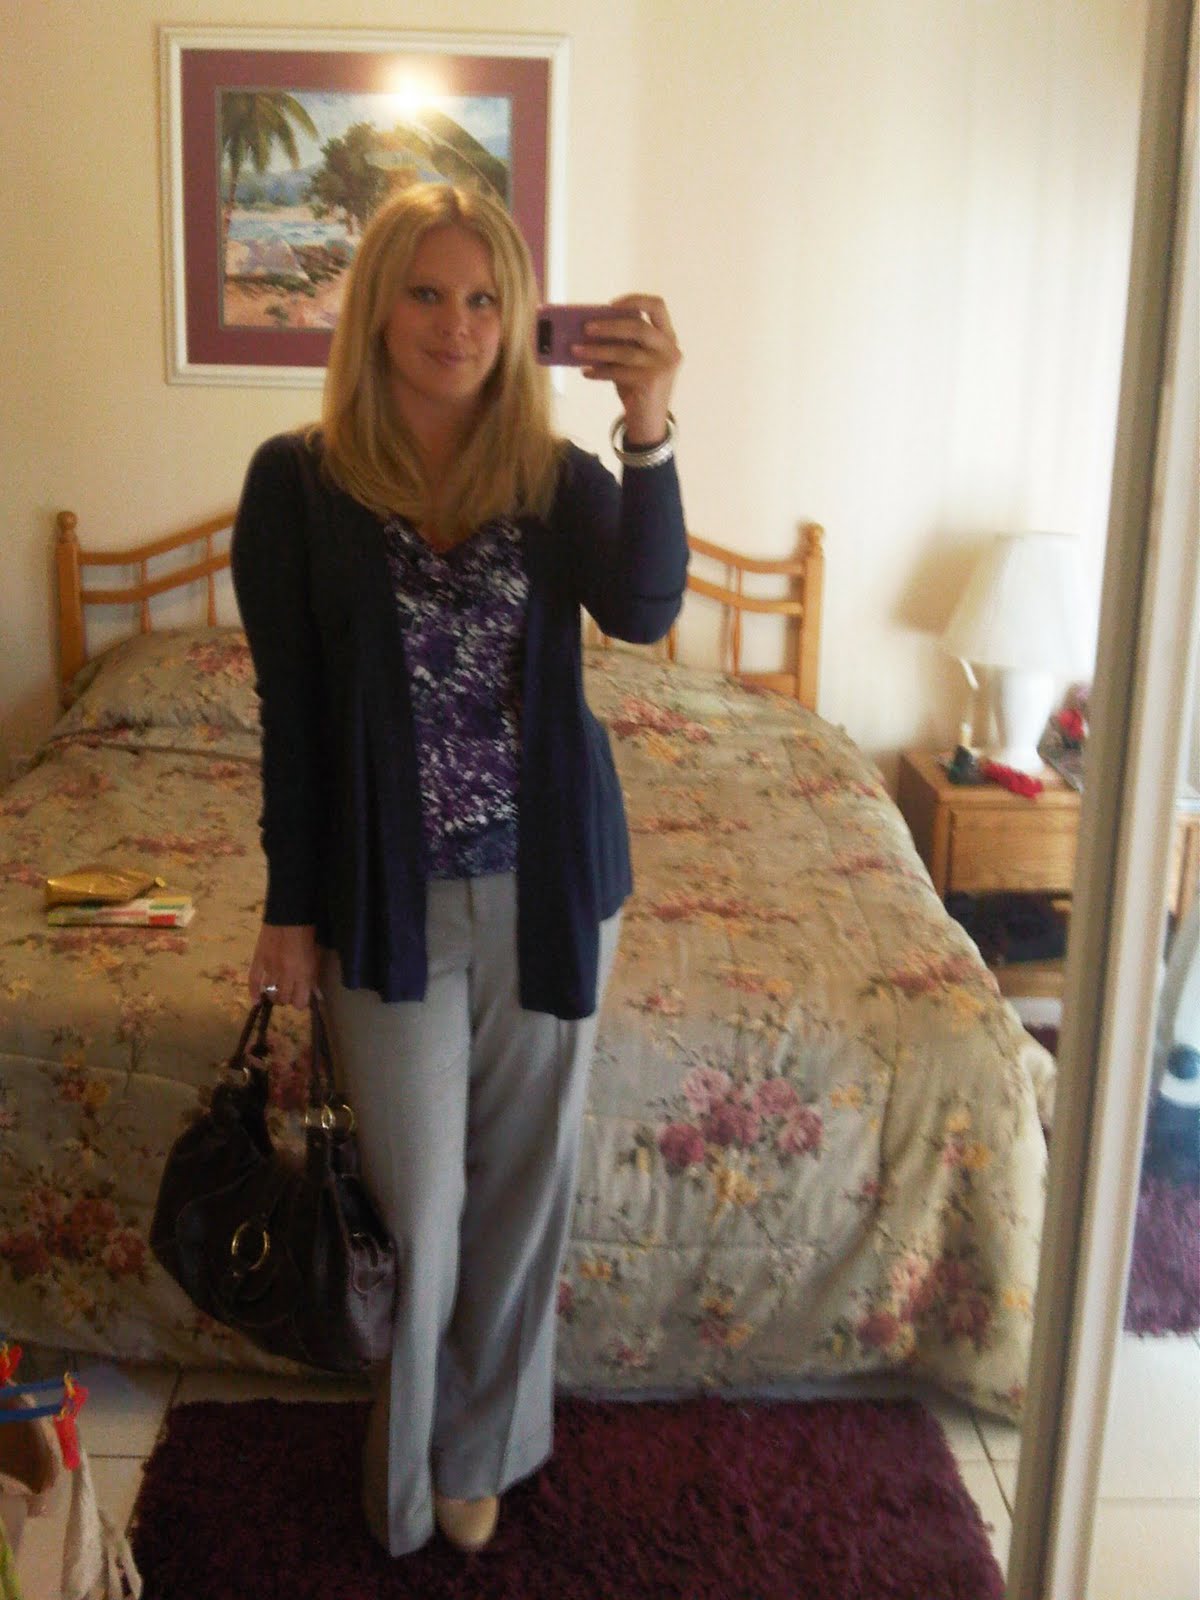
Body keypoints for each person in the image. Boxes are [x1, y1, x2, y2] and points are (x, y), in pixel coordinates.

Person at [230, 180, 686, 1558]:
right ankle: (403, 1475)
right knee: (422, 1208)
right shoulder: (296, 484)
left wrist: (650, 427)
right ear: (377, 310)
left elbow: (646, 607)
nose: (457, 323)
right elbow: (293, 712)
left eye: (486, 298)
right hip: (388, 902)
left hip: (553, 891)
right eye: (426, 293)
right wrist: (290, 906)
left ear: (517, 315)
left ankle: (479, 1451)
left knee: (522, 1192)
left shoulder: (552, 479)